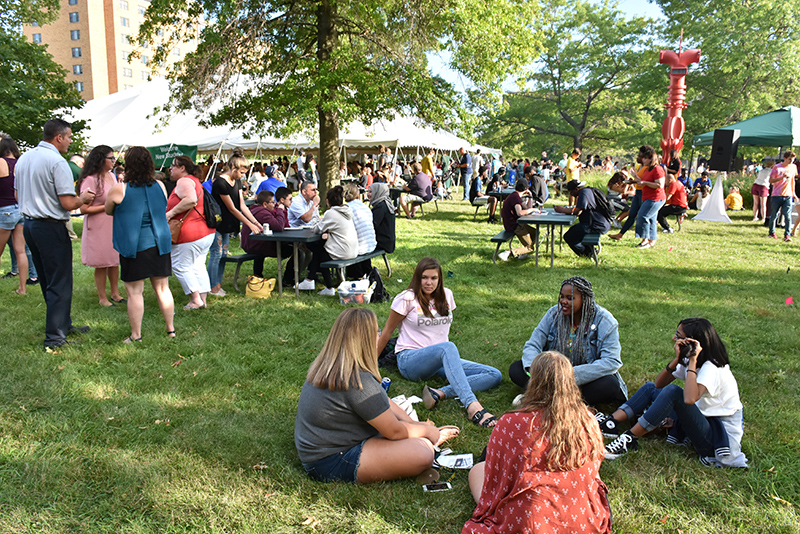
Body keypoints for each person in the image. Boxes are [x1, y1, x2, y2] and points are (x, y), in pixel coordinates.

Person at [295, 308, 459, 484]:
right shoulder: (357, 379)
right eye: (377, 332)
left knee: (416, 437)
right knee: (423, 453)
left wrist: (414, 425)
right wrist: (427, 432)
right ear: (366, 340)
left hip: (320, 449)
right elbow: (395, 431)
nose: (379, 336)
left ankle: (427, 438)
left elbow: (383, 401)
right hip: (331, 460)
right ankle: (431, 441)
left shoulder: (332, 365)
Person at [464, 351, 612, 534]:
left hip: (529, 520)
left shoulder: (510, 424)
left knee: (477, 470)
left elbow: (495, 481)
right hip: (581, 519)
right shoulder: (588, 421)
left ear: (533, 381)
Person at [599, 318, 748, 468]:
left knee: (674, 392)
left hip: (716, 440)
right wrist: (677, 360)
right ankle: (611, 423)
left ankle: (630, 438)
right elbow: (659, 384)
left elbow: (689, 399)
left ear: (692, 343)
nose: (674, 339)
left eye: (678, 336)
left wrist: (692, 361)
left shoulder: (712, 368)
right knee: (651, 388)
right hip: (704, 417)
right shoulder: (694, 361)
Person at [377, 257, 502, 428]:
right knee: (448, 347)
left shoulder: (447, 295)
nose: (429, 282)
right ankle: (473, 406)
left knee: (494, 375)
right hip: (410, 360)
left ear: (439, 279)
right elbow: (387, 332)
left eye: (433, 278)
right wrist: (369, 366)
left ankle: (440, 393)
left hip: (440, 359)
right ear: (417, 278)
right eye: (424, 277)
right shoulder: (406, 298)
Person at [16, 118, 95, 350]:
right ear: (58, 137)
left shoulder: (24, 158)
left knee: (47, 278)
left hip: (30, 224)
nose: (70, 141)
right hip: (50, 225)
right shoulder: (57, 162)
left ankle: (62, 323)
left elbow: (17, 192)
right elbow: (68, 202)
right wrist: (84, 199)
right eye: (69, 137)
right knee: (59, 281)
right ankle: (55, 336)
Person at [509, 276, 627, 407]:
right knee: (516, 369)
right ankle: (561, 400)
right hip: (550, 374)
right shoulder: (554, 314)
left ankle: (542, 397)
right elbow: (533, 344)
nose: (563, 301)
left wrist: (568, 375)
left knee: (609, 385)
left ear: (585, 300)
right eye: (562, 297)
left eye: (570, 298)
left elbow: (611, 361)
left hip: (582, 378)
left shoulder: (605, 321)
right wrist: (538, 371)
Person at [105, 146, 175, 343]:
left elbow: (108, 210)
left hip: (135, 246)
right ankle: (170, 330)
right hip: (159, 243)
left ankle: (136, 335)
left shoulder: (120, 189)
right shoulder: (161, 186)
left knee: (135, 292)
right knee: (163, 288)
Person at [208, 152, 263, 296]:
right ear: (233, 168)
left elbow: (242, 205)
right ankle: (213, 286)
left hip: (228, 224)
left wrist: (256, 222)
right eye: (242, 172)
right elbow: (232, 208)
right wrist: (249, 225)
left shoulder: (237, 182)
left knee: (224, 254)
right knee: (216, 253)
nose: (243, 176)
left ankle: (218, 284)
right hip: (217, 223)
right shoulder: (220, 182)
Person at [165, 155, 215, 310]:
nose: (170, 169)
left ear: (182, 168)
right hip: (204, 231)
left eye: (173, 166)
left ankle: (195, 300)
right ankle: (202, 299)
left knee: (181, 265)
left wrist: (170, 213)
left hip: (189, 233)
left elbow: (190, 199)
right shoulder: (195, 181)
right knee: (198, 265)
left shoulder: (184, 181)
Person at [77, 145, 125, 307]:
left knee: (113, 260)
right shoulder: (90, 180)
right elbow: (84, 208)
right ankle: (102, 297)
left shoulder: (111, 176)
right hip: (97, 225)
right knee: (102, 262)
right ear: (100, 159)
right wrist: (107, 206)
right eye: (110, 158)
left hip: (113, 223)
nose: (114, 161)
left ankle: (115, 293)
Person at [297, 185, 358, 296]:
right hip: (352, 250)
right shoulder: (347, 211)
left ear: (328, 201)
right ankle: (314, 282)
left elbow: (317, 229)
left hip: (342, 252)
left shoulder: (331, 213)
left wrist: (315, 212)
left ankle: (312, 281)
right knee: (319, 250)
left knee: (316, 250)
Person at [0, 135, 29, 295]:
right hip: (21, 209)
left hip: (4, 209)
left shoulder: (0, 162)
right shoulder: (21, 164)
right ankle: (22, 288)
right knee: (21, 251)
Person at [555, 180, 612, 258]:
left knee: (569, 236)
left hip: (595, 225)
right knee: (574, 231)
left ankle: (586, 254)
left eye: (571, 192)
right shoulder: (588, 190)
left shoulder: (583, 193)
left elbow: (578, 211)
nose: (571, 194)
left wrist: (562, 210)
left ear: (577, 189)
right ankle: (590, 251)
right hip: (599, 222)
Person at [498, 177, 540, 261]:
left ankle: (523, 253)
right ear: (526, 188)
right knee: (530, 247)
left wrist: (530, 197)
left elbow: (527, 208)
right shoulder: (515, 198)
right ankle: (508, 253)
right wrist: (532, 210)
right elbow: (520, 213)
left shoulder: (515, 195)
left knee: (535, 232)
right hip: (514, 225)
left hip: (516, 223)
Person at [633, 145, 665, 249]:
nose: (643, 159)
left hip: (656, 198)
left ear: (651, 159)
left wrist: (645, 182)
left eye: (645, 158)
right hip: (648, 197)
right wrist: (635, 177)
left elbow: (660, 185)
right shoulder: (648, 169)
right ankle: (652, 240)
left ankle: (645, 240)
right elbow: (642, 182)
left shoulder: (658, 169)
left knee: (643, 216)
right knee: (651, 219)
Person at [343, 183, 376, 278]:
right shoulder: (364, 206)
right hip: (371, 243)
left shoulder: (346, 209)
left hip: (359, 247)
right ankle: (365, 274)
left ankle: (356, 276)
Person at [767, 151, 798, 242]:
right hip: (777, 194)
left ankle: (787, 235)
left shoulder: (793, 167)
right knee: (774, 214)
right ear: (785, 158)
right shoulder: (777, 167)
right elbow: (771, 180)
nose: (791, 162)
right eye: (789, 159)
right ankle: (771, 232)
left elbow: (792, 181)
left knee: (787, 216)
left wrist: (793, 193)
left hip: (788, 195)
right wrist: (781, 178)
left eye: (793, 160)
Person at [368, 182, 396, 254]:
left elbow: (372, 224)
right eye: (368, 192)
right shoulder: (386, 203)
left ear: (378, 192)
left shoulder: (381, 206)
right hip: (388, 241)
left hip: (383, 242)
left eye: (371, 192)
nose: (368, 194)